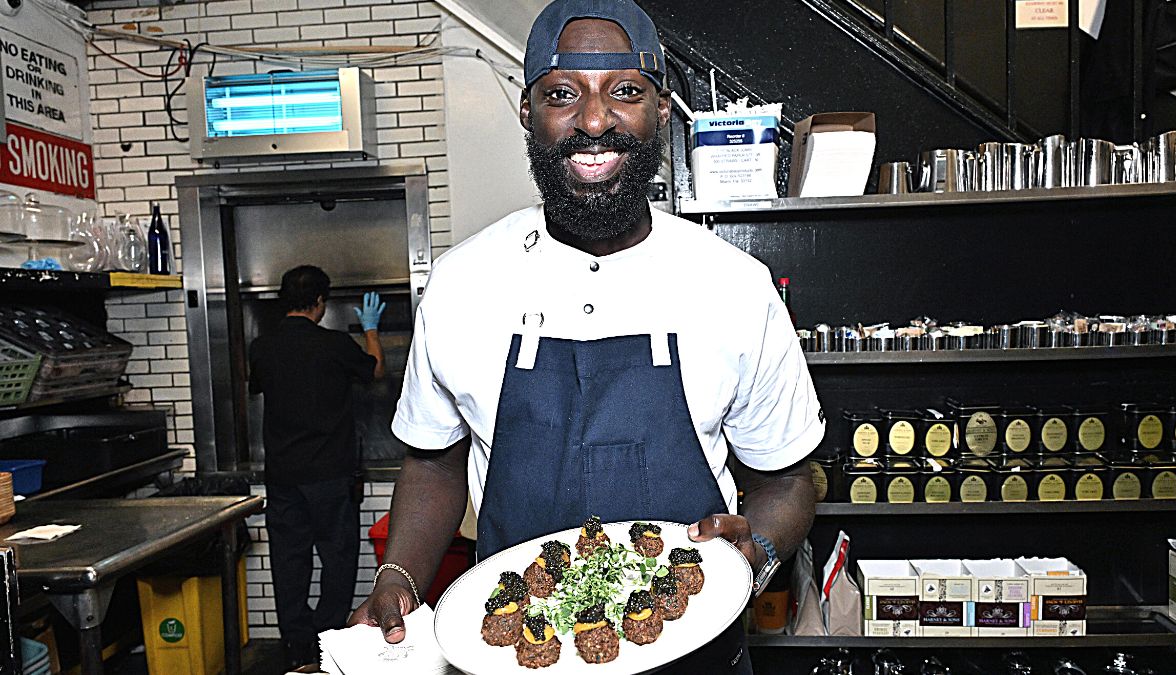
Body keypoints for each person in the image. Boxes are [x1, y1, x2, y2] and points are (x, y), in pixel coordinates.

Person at [350, 1, 824, 671]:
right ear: (527, 113)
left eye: (625, 91)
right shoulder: (462, 286)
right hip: (517, 654)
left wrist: (761, 551)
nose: (595, 120)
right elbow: (432, 461)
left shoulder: (734, 287)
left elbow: (786, 480)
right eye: (562, 94)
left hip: (695, 654)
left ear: (662, 112)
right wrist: (397, 575)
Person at [248, 265, 387, 667]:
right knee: (337, 559)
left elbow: (258, 385)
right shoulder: (334, 344)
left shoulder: (262, 346)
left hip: (284, 477)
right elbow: (375, 370)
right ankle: (328, 640)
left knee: (289, 562)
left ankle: (296, 645)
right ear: (320, 303)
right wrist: (371, 330)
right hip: (331, 475)